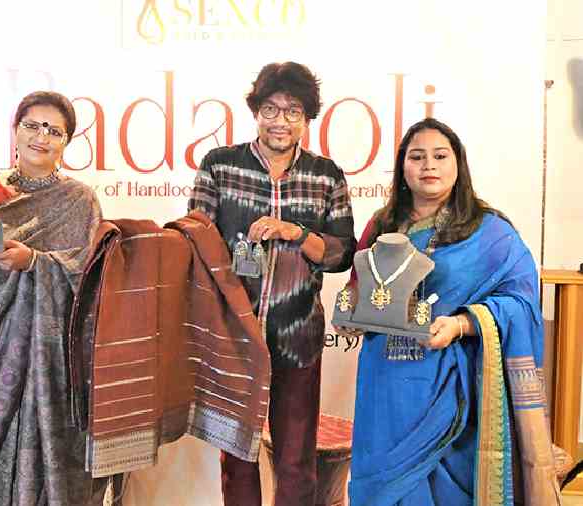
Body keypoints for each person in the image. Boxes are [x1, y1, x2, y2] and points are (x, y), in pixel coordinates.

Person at [341, 118, 561, 505]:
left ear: (457, 164)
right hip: (385, 385)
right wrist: (350, 317)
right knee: (380, 486)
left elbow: (522, 301)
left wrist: (463, 323)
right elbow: (359, 288)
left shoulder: (489, 231)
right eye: (417, 157)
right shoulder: (382, 223)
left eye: (440, 156)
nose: (429, 166)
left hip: (450, 383)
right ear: (402, 168)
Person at [188, 61, 357, 506]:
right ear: (255, 111)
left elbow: (342, 254)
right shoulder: (220, 166)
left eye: (292, 111)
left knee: (296, 458)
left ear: (307, 118)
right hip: (233, 334)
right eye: (270, 109)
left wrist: (296, 234)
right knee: (237, 459)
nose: (280, 121)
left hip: (297, 335)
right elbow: (194, 240)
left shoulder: (326, 175)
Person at [0, 91, 106, 505]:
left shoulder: (80, 200)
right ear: (15, 131)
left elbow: (93, 276)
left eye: (54, 130)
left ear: (66, 142)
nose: (41, 137)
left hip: (55, 361)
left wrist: (33, 262)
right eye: (33, 125)